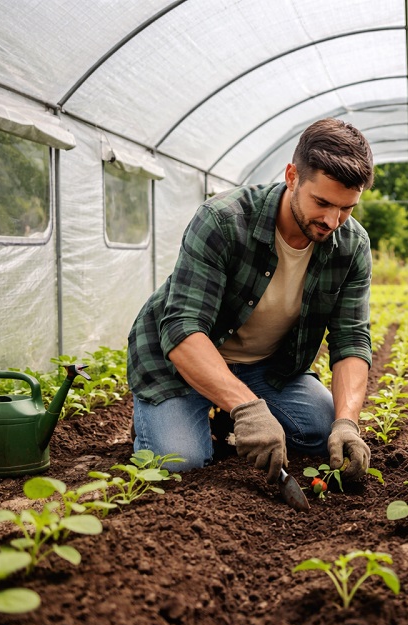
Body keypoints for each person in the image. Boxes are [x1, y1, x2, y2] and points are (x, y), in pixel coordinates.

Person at [127, 117, 375, 482]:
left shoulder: (351, 246)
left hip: (265, 367)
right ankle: (168, 412)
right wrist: (247, 409)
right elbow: (183, 328)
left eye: (347, 208)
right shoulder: (224, 220)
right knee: (182, 463)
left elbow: (351, 340)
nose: (333, 220)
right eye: (322, 202)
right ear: (292, 176)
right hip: (181, 363)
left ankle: (227, 410)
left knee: (324, 433)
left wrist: (347, 421)